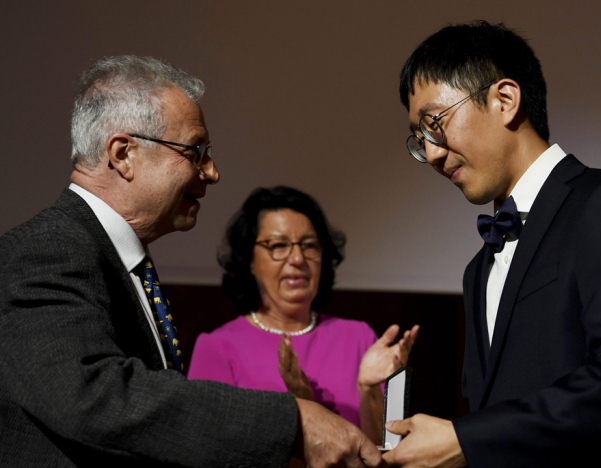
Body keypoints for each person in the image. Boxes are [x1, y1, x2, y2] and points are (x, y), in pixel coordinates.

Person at [0, 55, 382, 468]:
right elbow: (90, 397)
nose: (213, 172)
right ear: (124, 153)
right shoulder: (48, 248)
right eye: (196, 151)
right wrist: (292, 422)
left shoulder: (112, 256)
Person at [382, 22, 601, 468]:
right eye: (420, 139)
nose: (434, 153)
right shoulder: (477, 268)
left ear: (505, 100)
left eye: (435, 124)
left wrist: (466, 440)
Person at [188, 186, 419, 444]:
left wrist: (369, 392)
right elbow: (209, 450)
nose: (297, 258)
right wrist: (299, 409)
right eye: (278, 245)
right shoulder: (217, 348)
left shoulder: (358, 337)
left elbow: (387, 451)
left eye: (309, 245)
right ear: (249, 260)